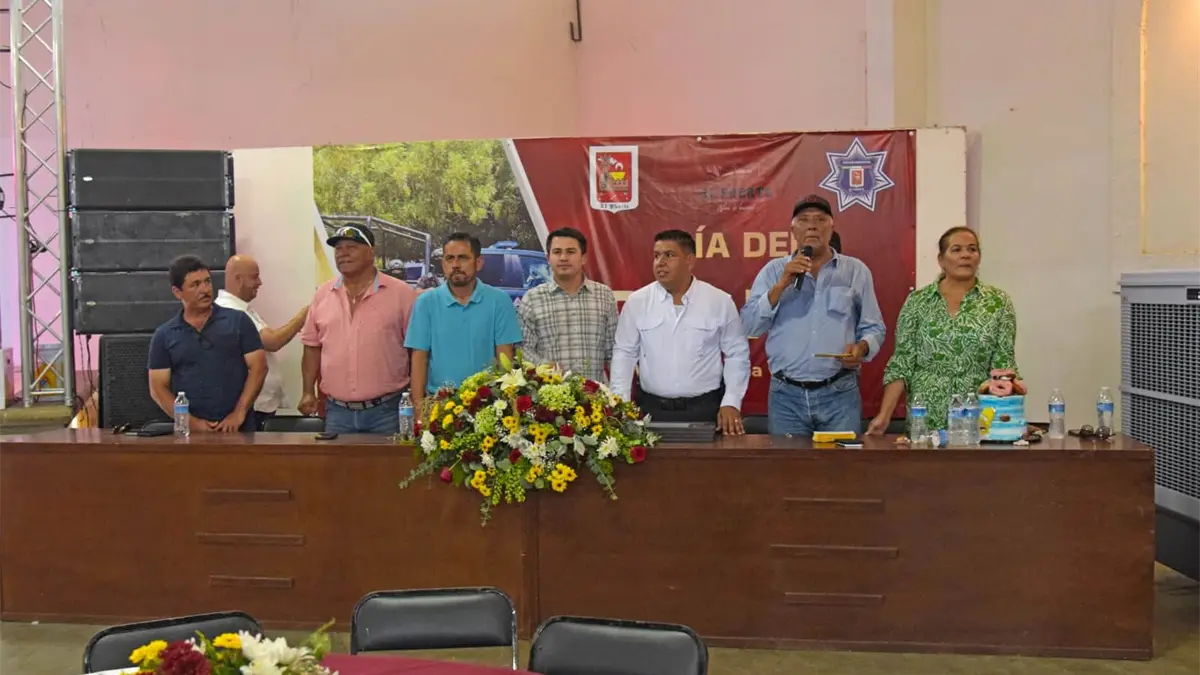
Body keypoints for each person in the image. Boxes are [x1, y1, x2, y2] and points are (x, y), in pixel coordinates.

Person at [741, 194, 886, 436]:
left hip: (839, 393)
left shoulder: (855, 271)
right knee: (789, 462)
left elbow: (875, 327)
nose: (812, 226)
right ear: (793, 230)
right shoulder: (774, 271)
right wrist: (781, 285)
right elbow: (750, 326)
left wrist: (862, 347)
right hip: (786, 397)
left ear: (832, 227)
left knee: (842, 461)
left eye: (820, 219)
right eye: (804, 220)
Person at [866, 226, 1018, 436]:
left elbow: (1004, 366)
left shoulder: (998, 302)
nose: (965, 255)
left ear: (979, 257)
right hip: (926, 419)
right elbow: (902, 362)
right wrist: (884, 416)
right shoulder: (918, 302)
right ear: (941, 260)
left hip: (979, 420)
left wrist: (1010, 421)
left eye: (972, 249)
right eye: (956, 250)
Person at [610, 229, 750, 434]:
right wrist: (619, 403)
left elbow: (737, 354)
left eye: (669, 255)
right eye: (656, 256)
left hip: (705, 409)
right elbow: (624, 353)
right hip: (650, 409)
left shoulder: (719, 301)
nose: (660, 263)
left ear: (690, 260)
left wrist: (731, 401)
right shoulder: (637, 302)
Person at [298, 225, 417, 434]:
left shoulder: (402, 294)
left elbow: (417, 351)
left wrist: (417, 398)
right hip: (337, 413)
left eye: (351, 247)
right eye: (338, 249)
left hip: (388, 412)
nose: (343, 253)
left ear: (371, 252)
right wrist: (308, 391)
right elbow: (312, 347)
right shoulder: (322, 295)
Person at [147, 255, 267, 433]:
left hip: (239, 429)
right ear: (177, 292)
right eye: (195, 285)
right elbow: (158, 388)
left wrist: (239, 413)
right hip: (191, 433)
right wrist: (191, 422)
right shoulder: (164, 335)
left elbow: (259, 368)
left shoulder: (238, 321)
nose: (205, 289)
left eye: (207, 282)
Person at [405, 232, 522, 413]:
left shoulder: (499, 301)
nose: (456, 265)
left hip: (487, 406)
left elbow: (504, 361)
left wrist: (505, 410)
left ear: (479, 262)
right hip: (439, 407)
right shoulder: (426, 303)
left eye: (463, 258)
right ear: (443, 263)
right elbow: (419, 359)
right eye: (449, 258)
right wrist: (419, 413)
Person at [215, 254, 309, 430]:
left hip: (260, 406)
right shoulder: (230, 310)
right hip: (251, 408)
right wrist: (305, 315)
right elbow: (272, 342)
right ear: (238, 279)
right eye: (254, 277)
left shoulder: (243, 309)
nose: (259, 282)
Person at [517, 227, 618, 381]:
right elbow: (523, 350)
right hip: (549, 393)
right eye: (557, 252)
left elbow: (614, 352)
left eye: (571, 252)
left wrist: (618, 390)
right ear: (548, 258)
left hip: (595, 393)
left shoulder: (604, 296)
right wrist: (545, 367)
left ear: (583, 258)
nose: (563, 258)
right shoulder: (532, 299)